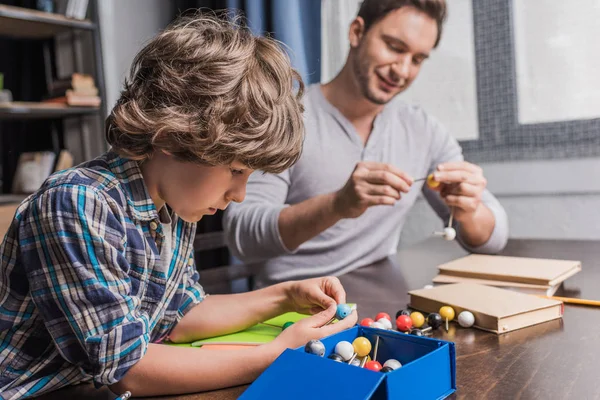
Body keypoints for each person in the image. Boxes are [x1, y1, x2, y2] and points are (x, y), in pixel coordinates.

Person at [0, 15, 356, 399]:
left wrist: (284, 295)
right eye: (235, 170)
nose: (239, 195)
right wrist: (276, 354)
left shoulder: (172, 203)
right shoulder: (77, 204)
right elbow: (128, 369)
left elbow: (180, 315)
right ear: (171, 137)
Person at [223, 0, 509, 288]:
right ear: (357, 32)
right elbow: (242, 235)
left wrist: (469, 211)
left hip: (379, 303)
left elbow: (494, 237)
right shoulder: (286, 119)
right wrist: (337, 204)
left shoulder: (423, 130)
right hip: (293, 310)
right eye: (395, 48)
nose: (403, 70)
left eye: (418, 59)